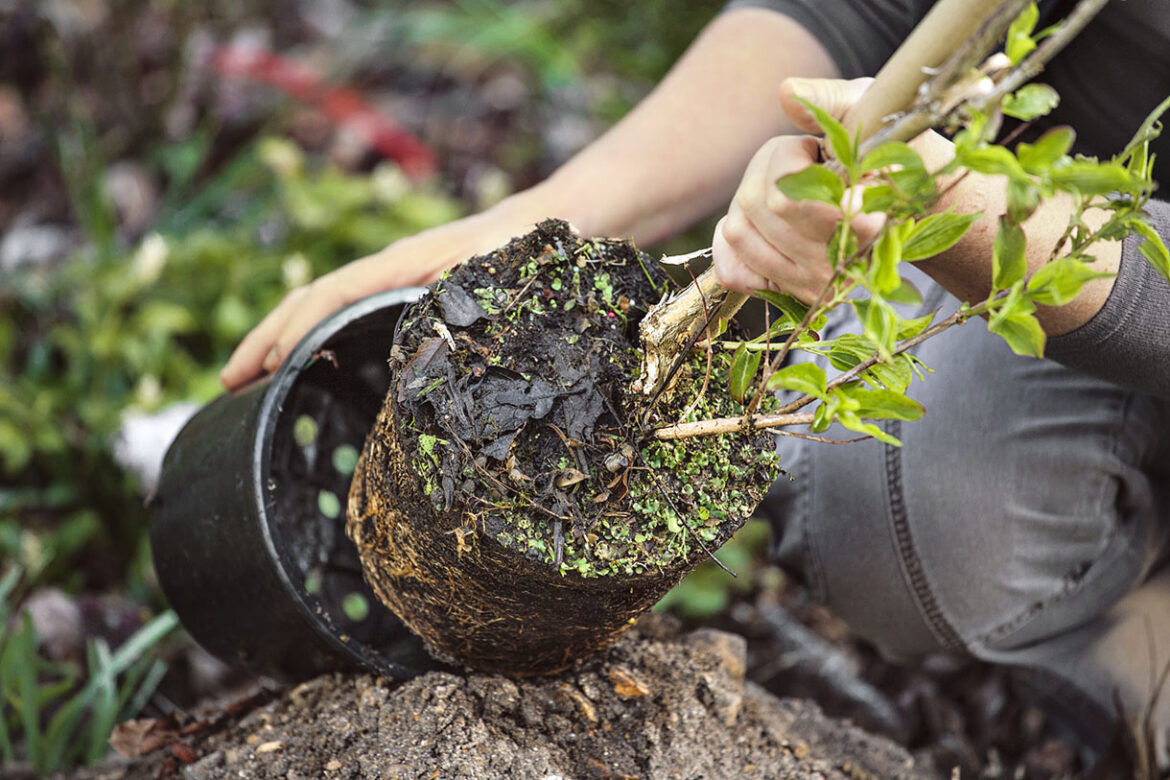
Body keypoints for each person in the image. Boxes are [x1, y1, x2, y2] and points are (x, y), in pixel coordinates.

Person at [221, 0, 1170, 761]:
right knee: (904, 504)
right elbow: (868, 16)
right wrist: (554, 208)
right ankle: (1124, 610)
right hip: (1085, 227)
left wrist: (963, 217)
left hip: (1098, 261)